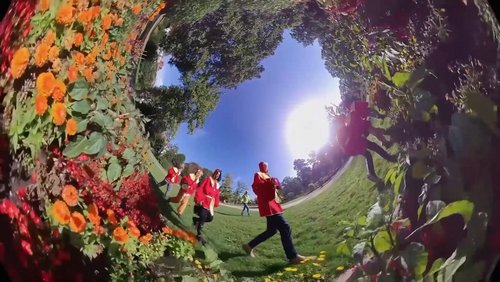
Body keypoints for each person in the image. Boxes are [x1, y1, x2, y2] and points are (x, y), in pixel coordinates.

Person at [242, 162, 311, 264]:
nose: (266, 167)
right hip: (268, 204)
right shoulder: (258, 174)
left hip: (273, 203)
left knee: (271, 231)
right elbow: (257, 187)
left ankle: (249, 246)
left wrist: (276, 183)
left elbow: (276, 188)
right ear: (262, 167)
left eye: (267, 166)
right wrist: (269, 182)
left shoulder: (268, 176)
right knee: (285, 227)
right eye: (265, 166)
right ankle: (293, 256)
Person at [335, 100, 397, 182]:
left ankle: (374, 171)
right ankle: (389, 159)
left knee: (369, 152)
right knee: (371, 150)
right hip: (354, 143)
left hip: (353, 144)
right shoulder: (353, 116)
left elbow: (359, 129)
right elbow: (360, 127)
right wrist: (368, 130)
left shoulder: (344, 126)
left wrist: (366, 131)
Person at [193, 169, 222, 245]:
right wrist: (199, 199)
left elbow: (216, 195)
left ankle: (196, 220)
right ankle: (199, 235)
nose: (217, 175)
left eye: (218, 175)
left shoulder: (217, 184)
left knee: (210, 218)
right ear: (214, 173)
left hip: (210, 204)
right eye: (216, 173)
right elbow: (201, 188)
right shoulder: (208, 179)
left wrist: (217, 202)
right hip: (204, 200)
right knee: (203, 217)